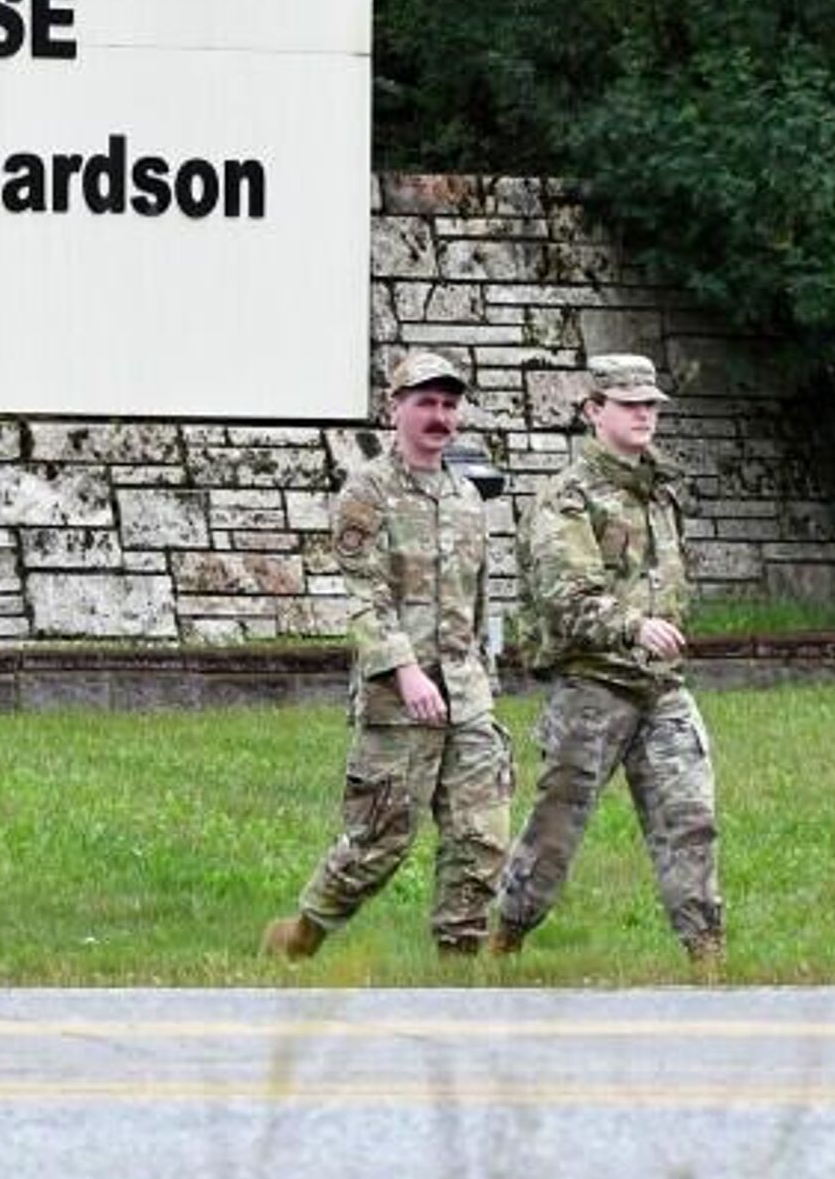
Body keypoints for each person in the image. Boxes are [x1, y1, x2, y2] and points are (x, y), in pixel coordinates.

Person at [262, 350, 513, 960]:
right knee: (379, 840)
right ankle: (301, 936)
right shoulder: (366, 493)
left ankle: (458, 962)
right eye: (425, 403)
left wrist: (484, 680)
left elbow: (477, 601)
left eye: (449, 405)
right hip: (398, 698)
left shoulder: (466, 497)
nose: (439, 416)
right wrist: (405, 672)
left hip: (467, 695)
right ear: (394, 408)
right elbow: (365, 595)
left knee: (482, 837)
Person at [489, 353, 725, 975]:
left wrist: (656, 633)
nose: (644, 415)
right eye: (629, 404)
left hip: (661, 688)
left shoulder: (661, 490)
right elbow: (565, 596)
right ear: (594, 411)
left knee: (690, 819)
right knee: (556, 829)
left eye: (651, 405)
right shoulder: (566, 498)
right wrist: (633, 626)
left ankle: (707, 956)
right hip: (592, 688)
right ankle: (503, 939)